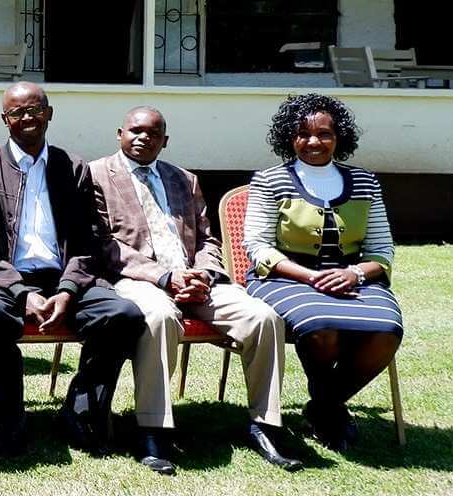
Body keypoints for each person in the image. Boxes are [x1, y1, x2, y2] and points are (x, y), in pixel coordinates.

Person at [91, 107, 300, 473]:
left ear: (164, 141)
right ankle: (153, 428)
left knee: (263, 318)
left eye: (153, 134)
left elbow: (206, 239)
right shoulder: (95, 175)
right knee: (159, 316)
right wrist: (164, 278)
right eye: (135, 131)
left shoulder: (184, 179)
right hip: (136, 280)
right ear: (119, 133)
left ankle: (266, 424)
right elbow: (104, 244)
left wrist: (203, 274)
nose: (144, 138)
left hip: (195, 280)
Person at [0, 82, 144, 458]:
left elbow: (88, 241)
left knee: (121, 315)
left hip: (60, 278)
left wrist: (68, 290)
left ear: (49, 113)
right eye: (17, 113)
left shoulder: (72, 167)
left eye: (35, 110)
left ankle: (81, 413)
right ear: (4, 120)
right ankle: (9, 420)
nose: (27, 118)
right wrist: (21, 292)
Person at [242, 93, 402, 452]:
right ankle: (330, 412)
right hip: (284, 278)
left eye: (324, 134)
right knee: (320, 325)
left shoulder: (365, 182)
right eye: (303, 133)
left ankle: (324, 405)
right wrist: (309, 277)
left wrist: (356, 274)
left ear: (339, 137)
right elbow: (257, 246)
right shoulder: (270, 180)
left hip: (352, 278)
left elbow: (382, 250)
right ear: (289, 137)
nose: (313, 142)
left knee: (387, 331)